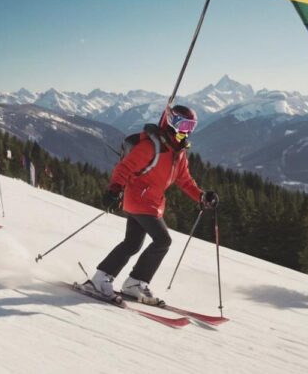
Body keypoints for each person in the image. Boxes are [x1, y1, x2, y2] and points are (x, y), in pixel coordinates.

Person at [86, 105, 219, 304]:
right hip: (139, 200)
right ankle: (129, 281)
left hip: (151, 203)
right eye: (183, 124)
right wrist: (114, 189)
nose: (186, 131)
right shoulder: (151, 147)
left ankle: (111, 279)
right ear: (171, 122)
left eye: (191, 126)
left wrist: (201, 196)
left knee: (132, 244)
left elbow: (184, 180)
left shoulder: (178, 152)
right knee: (163, 240)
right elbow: (124, 168)